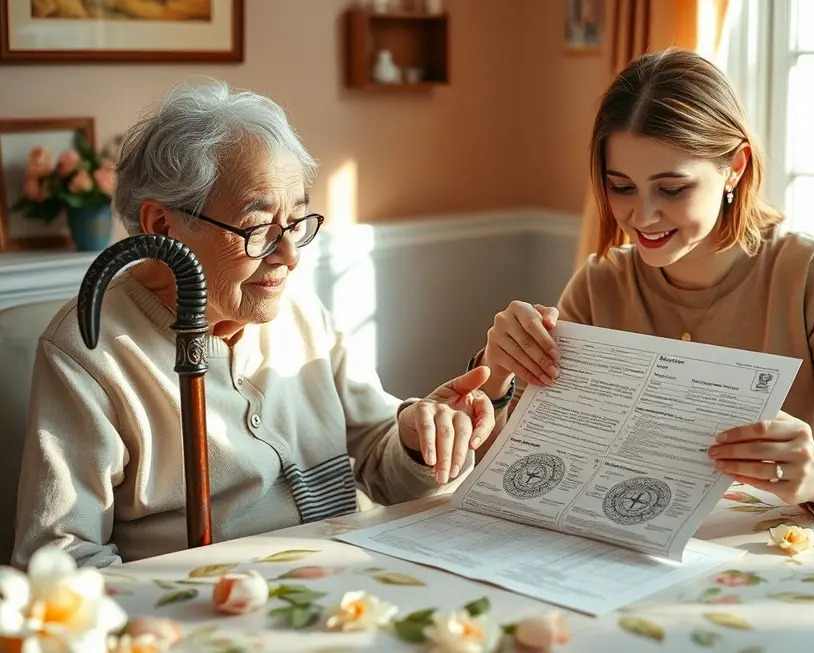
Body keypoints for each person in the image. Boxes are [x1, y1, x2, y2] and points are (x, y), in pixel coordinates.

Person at [11, 80, 496, 569]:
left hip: (349, 582)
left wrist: (415, 441)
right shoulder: (88, 351)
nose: (288, 256)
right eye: (258, 227)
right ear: (161, 225)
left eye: (297, 223)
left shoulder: (301, 313)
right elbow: (61, 561)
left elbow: (382, 464)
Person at [471, 48, 814, 518]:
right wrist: (498, 375)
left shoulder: (813, 273)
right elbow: (511, 464)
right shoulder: (598, 283)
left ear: (735, 167)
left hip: (763, 555)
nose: (641, 216)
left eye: (672, 189)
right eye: (621, 187)